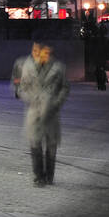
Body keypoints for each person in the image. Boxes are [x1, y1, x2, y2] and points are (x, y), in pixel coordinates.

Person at [12, 42, 70, 187]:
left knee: (51, 147)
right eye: (35, 50)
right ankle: (38, 176)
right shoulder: (26, 66)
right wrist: (29, 99)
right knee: (35, 144)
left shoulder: (59, 68)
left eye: (42, 50)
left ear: (49, 51)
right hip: (34, 111)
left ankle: (49, 176)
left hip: (51, 112)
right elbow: (21, 88)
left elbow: (65, 87)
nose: (38, 53)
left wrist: (56, 102)